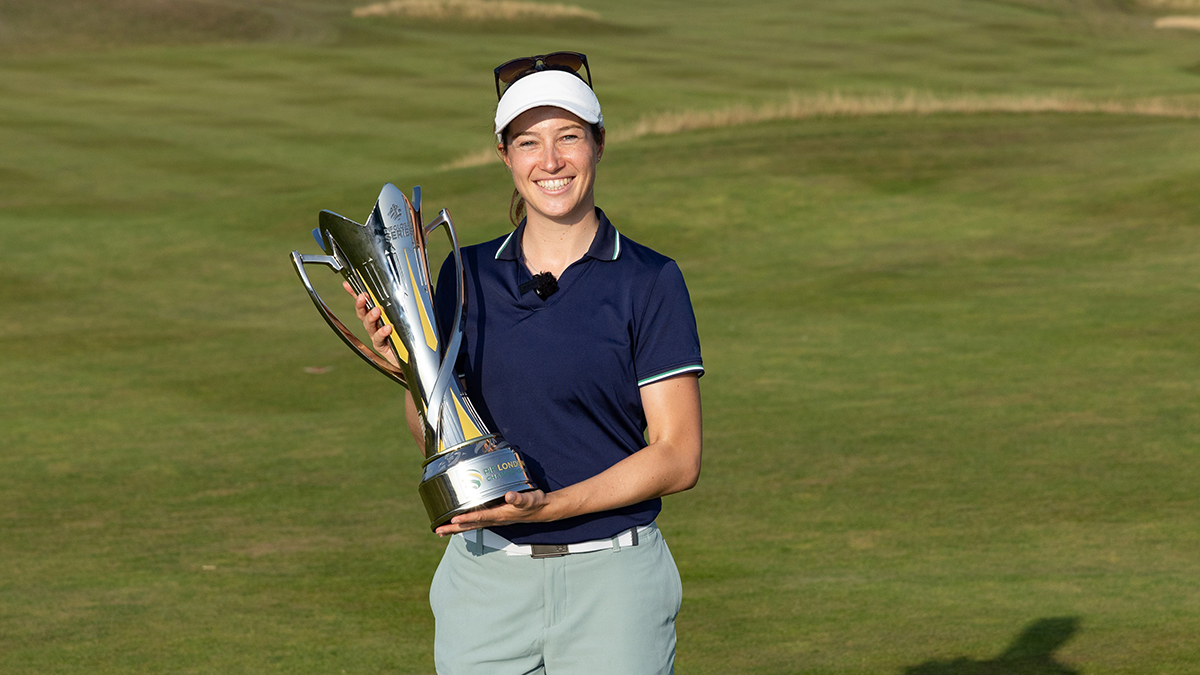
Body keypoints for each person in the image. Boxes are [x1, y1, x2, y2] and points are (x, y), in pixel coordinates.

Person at [344, 52, 704, 675]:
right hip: (484, 583)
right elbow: (438, 435)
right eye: (529, 142)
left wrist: (550, 506)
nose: (551, 160)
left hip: (613, 583)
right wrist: (412, 370)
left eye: (569, 137)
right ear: (505, 156)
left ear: (598, 145)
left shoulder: (649, 280)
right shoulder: (464, 274)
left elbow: (678, 455)